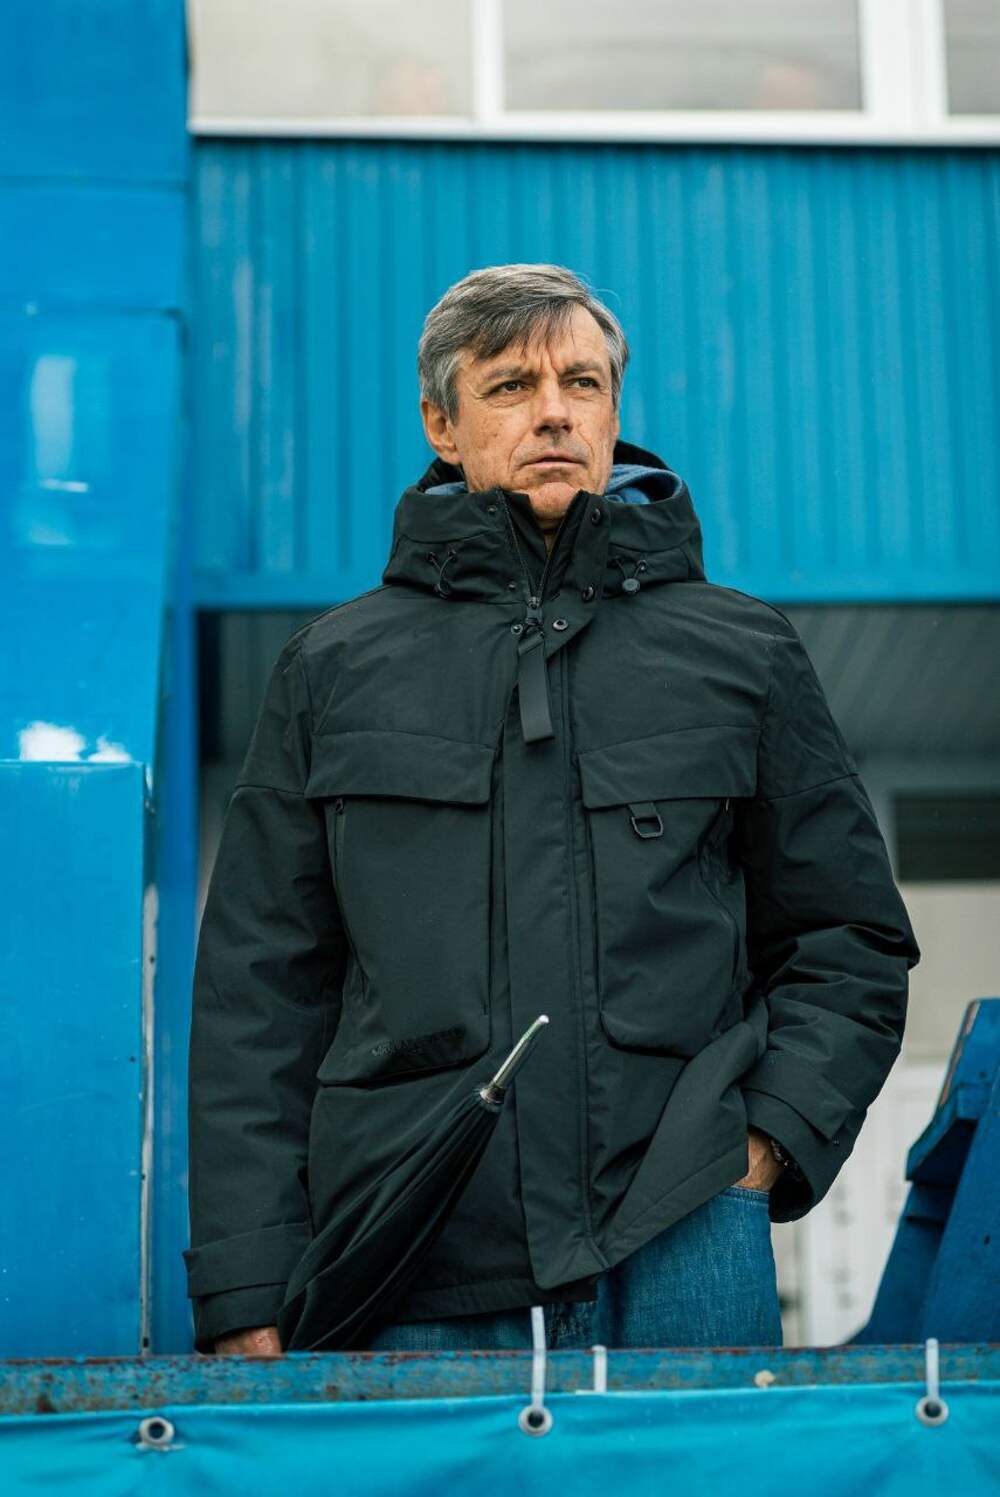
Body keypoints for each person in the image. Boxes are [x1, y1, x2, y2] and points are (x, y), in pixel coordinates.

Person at [184, 263, 920, 1357]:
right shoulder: (332, 670)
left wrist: (762, 1145)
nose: (555, 412)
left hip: (682, 1240)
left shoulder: (743, 652)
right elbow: (260, 992)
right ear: (442, 424)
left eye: (582, 383)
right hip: (407, 1252)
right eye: (511, 386)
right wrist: (246, 1280)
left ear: (613, 414)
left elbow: (846, 935)